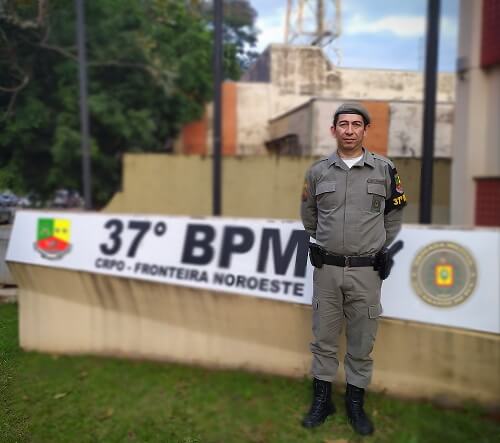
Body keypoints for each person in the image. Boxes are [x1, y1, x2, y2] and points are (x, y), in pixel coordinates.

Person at [300, 102, 406, 436]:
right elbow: (309, 215)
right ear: (333, 130)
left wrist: (376, 245)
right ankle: (322, 401)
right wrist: (326, 240)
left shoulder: (384, 169)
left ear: (365, 129)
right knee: (324, 338)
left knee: (362, 340)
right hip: (327, 269)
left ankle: (355, 404)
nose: (349, 130)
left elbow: (394, 214)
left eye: (356, 124)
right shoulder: (318, 172)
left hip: (366, 272)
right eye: (343, 124)